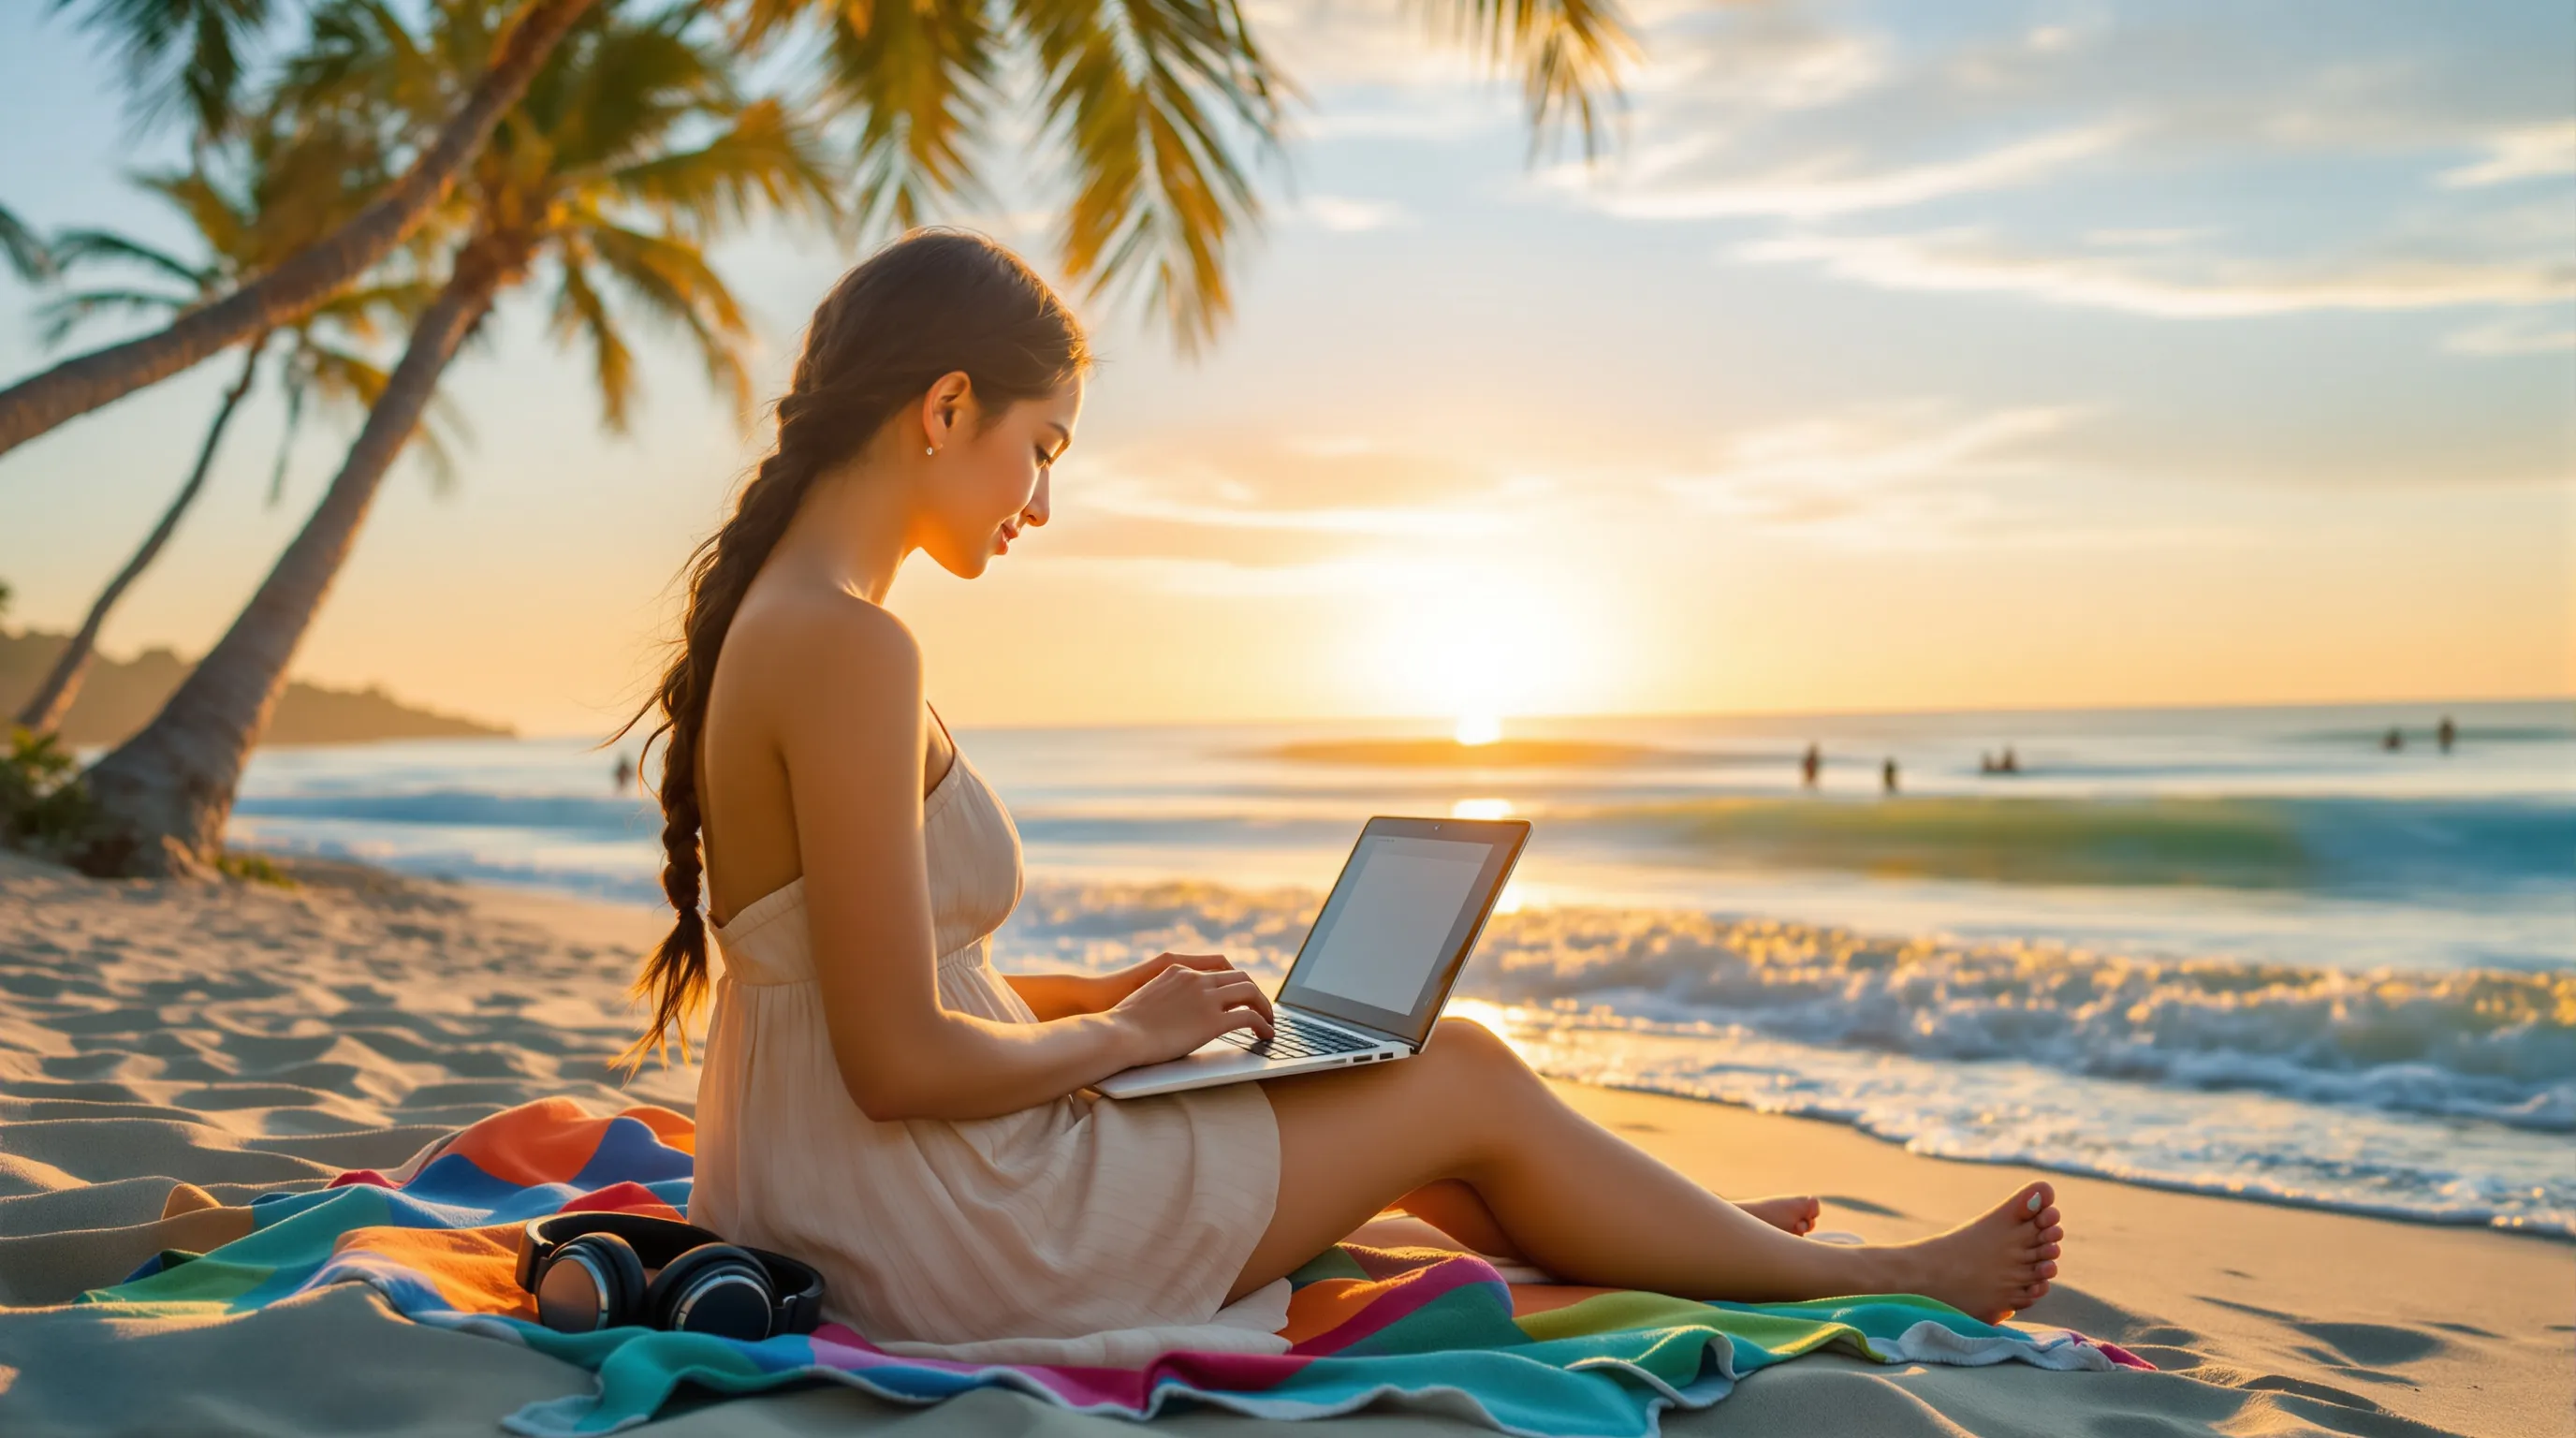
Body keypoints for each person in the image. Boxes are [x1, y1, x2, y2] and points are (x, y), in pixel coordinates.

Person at [546, 230, 2056, 1350]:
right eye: (1040, 449)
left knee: (1360, 1105)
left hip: (833, 1191)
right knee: (1458, 1067)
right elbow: (894, 1058)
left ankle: (1697, 1236)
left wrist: (1092, 998)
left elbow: (856, 974)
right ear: (946, 409)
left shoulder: (791, 624)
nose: (1042, 503)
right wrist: (1134, 1037)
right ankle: (1870, 1275)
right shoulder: (853, 648)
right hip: (940, 1233)